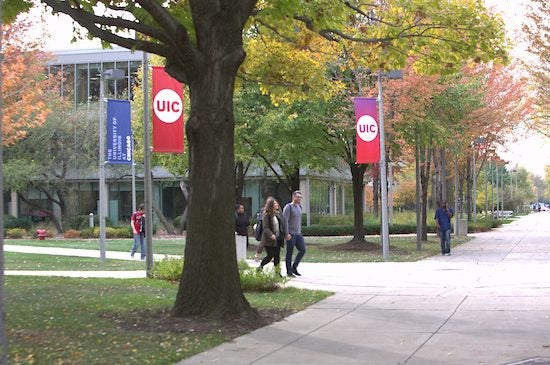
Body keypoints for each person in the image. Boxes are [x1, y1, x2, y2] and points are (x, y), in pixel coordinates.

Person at [257, 197, 285, 276]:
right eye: (274, 204)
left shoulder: (278, 214)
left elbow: (281, 226)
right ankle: (260, 267)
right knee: (270, 256)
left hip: (278, 238)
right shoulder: (267, 216)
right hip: (269, 240)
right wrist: (271, 235)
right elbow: (265, 228)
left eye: (277, 203)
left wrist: (285, 234)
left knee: (277, 256)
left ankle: (277, 273)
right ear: (271, 205)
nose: (276, 205)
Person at [283, 190, 306, 277]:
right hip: (290, 233)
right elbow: (285, 221)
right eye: (298, 197)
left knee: (302, 249)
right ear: (293, 197)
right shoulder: (288, 207)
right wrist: (286, 233)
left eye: (300, 197)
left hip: (298, 233)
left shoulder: (299, 207)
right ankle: (289, 271)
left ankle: (294, 267)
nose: (299, 198)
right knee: (289, 252)